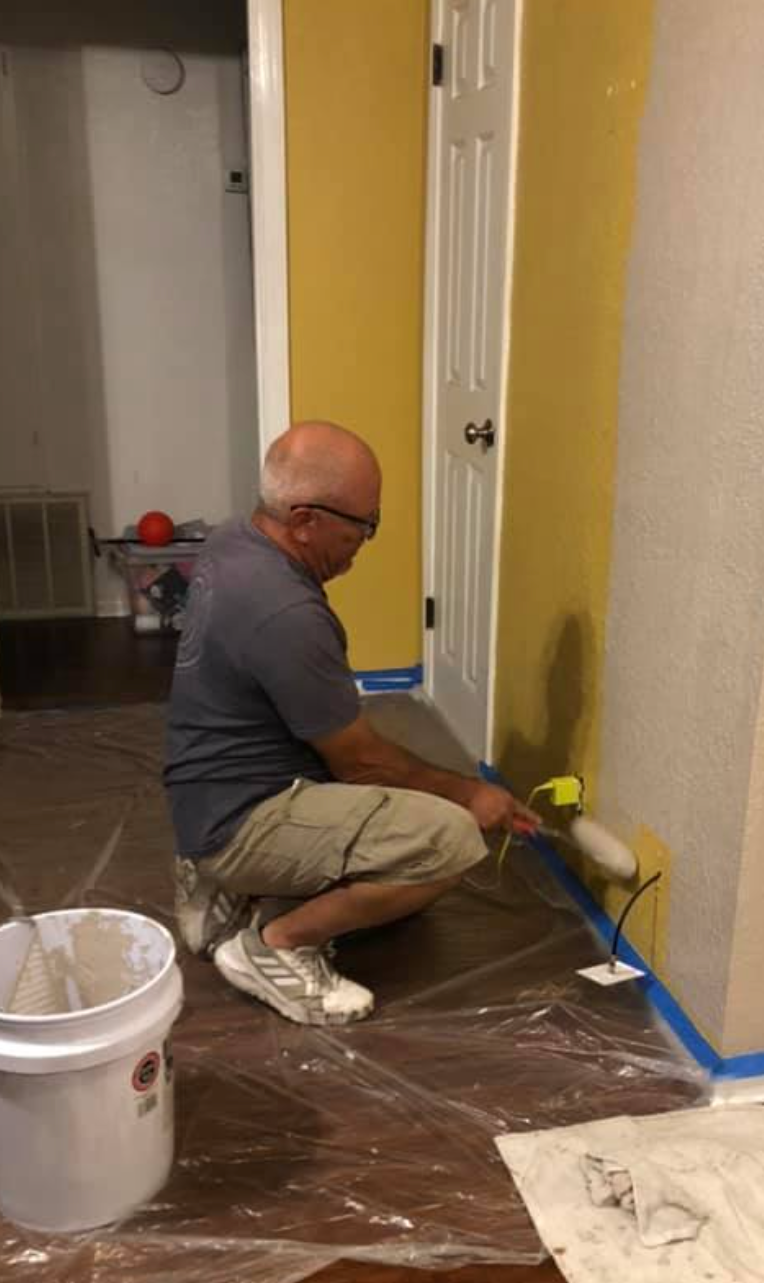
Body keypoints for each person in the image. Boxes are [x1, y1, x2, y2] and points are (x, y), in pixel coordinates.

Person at [164, 421, 537, 1026]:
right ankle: (275, 946)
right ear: (305, 519)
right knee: (449, 839)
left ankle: (215, 879)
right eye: (363, 524)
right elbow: (360, 761)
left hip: (201, 793)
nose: (366, 540)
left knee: (401, 795)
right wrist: (470, 793)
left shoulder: (235, 540)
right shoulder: (286, 613)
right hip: (239, 817)